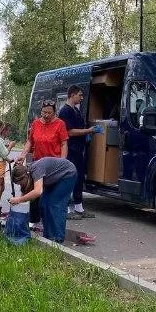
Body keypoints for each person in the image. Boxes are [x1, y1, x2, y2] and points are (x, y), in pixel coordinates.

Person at [16, 99, 68, 228]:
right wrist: (22, 155)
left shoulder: (60, 124)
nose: (46, 115)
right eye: (44, 112)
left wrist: (63, 161)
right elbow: (29, 142)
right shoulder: (36, 123)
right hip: (37, 163)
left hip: (53, 165)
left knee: (50, 194)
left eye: (49, 113)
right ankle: (33, 221)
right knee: (35, 192)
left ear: (54, 112)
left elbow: (64, 144)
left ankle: (49, 223)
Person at [8, 157, 77, 243]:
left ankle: (58, 238)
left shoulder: (36, 170)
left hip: (67, 174)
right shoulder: (27, 173)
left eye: (20, 183)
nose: (21, 185)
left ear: (25, 176)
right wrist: (18, 202)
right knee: (43, 204)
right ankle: (48, 235)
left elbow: (38, 191)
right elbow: (25, 196)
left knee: (54, 204)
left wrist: (19, 200)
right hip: (55, 178)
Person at [57, 85, 98, 220]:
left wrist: (86, 134)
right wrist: (88, 131)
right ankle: (66, 209)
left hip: (79, 149)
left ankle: (79, 207)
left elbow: (78, 128)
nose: (81, 97)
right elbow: (69, 132)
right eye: (80, 95)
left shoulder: (76, 110)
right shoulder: (65, 111)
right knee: (69, 178)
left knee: (79, 178)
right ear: (72, 94)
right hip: (70, 150)